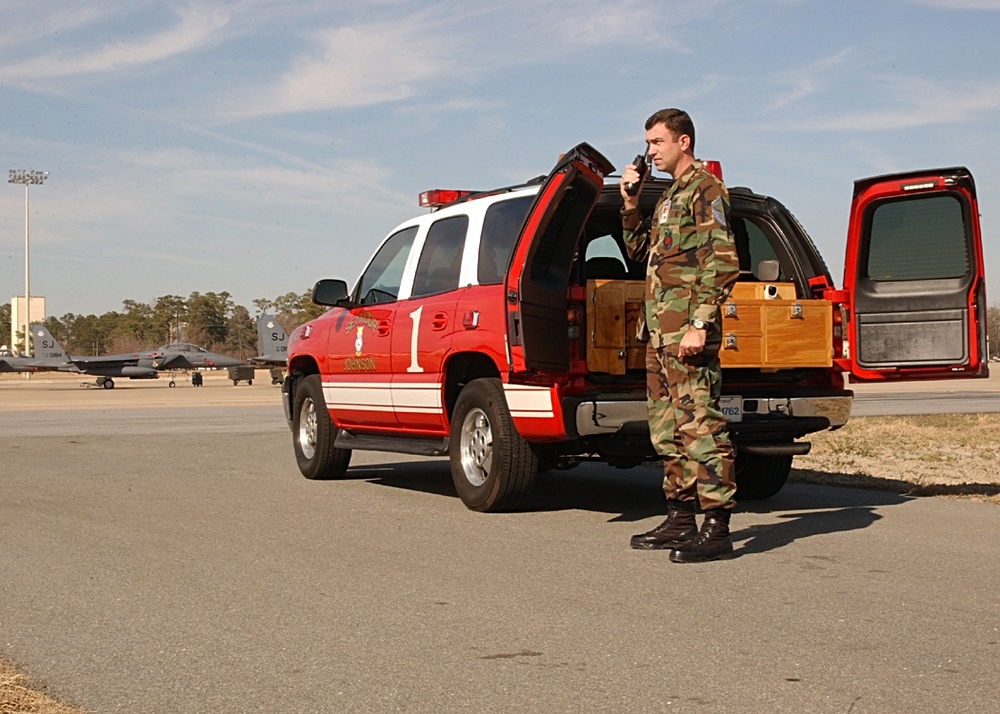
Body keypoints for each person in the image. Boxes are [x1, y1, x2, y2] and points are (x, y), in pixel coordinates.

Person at [619, 108, 740, 563]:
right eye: (648, 143)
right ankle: (681, 516)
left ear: (683, 142)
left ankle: (717, 527)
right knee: (667, 429)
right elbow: (639, 254)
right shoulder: (670, 196)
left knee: (701, 425)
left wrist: (700, 322)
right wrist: (630, 203)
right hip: (661, 334)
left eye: (657, 142)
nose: (650, 151)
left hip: (689, 331)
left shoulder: (705, 190)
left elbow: (723, 261)